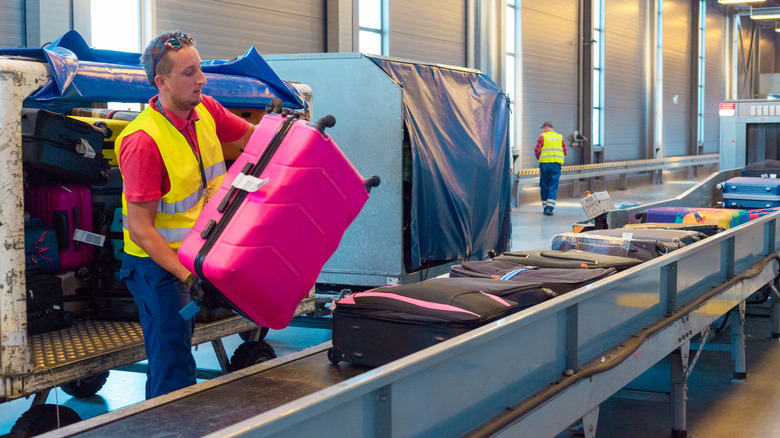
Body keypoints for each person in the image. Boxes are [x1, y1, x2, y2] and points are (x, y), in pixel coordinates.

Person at [115, 30, 255, 399]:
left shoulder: (205, 109)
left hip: (196, 253)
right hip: (159, 265)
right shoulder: (143, 142)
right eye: (189, 72)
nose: (202, 80)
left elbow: (255, 139)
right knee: (172, 356)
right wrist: (187, 277)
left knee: (181, 345)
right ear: (161, 82)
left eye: (200, 69)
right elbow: (142, 229)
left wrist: (293, 137)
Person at [534, 121, 567, 216]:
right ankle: (550, 208)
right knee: (553, 185)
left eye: (543, 128)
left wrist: (539, 158)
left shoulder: (542, 137)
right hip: (556, 164)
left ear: (546, 127)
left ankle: (545, 206)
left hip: (544, 164)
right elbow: (565, 151)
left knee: (544, 184)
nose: (543, 130)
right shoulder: (560, 137)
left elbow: (537, 149)